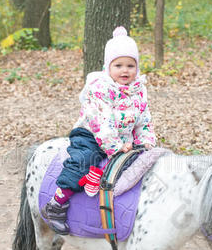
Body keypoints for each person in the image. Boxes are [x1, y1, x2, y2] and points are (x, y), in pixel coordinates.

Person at [41, 26, 156, 234]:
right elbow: (102, 123)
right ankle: (57, 204)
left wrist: (146, 140)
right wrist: (115, 146)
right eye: (118, 65)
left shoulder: (139, 91)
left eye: (130, 65)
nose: (125, 70)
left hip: (123, 139)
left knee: (143, 163)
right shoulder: (100, 88)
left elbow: (143, 120)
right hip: (92, 135)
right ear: (108, 67)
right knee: (84, 160)